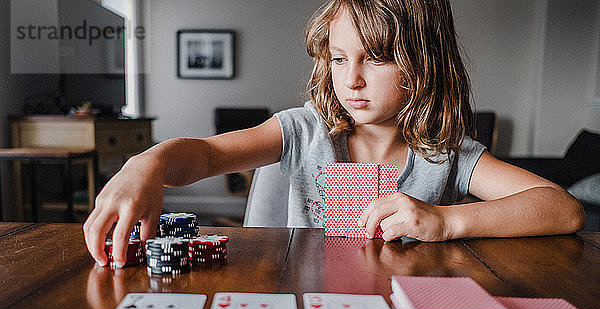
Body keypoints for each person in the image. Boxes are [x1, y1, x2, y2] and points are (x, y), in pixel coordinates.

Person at [84, 0, 585, 267]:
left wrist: (446, 220)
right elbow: (210, 155)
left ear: (424, 66)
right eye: (340, 58)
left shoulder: (447, 154)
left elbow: (563, 208)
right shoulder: (303, 131)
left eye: (378, 58)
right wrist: (147, 162)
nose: (351, 80)